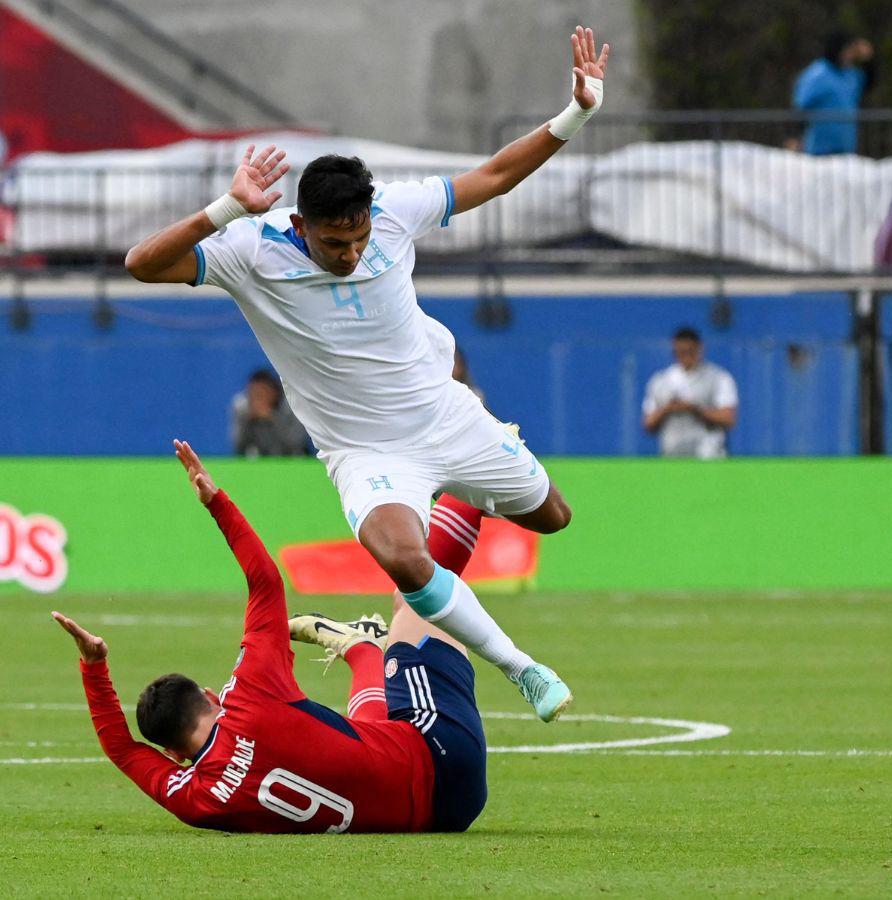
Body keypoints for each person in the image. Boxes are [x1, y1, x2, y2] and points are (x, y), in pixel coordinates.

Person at [123, 26, 611, 722]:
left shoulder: (395, 214)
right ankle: (525, 669)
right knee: (403, 561)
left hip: (446, 413)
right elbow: (141, 264)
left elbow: (496, 174)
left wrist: (577, 114)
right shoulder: (250, 254)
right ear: (299, 223)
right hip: (365, 451)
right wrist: (227, 207)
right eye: (333, 242)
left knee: (553, 517)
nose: (350, 253)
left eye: (357, 239)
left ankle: (464, 481)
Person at [52, 440, 490, 833]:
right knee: (412, 598)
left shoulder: (198, 800)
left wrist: (93, 669)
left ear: (172, 754)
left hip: (444, 817)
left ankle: (361, 651)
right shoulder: (251, 693)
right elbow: (265, 582)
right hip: (443, 756)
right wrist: (216, 503)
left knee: (363, 736)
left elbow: (122, 751)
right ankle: (484, 459)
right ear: (211, 695)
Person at [642, 327, 738, 459]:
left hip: (709, 458)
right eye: (681, 352)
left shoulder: (718, 378)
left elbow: (728, 418)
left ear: (700, 348)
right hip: (672, 458)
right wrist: (668, 408)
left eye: (690, 351)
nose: (686, 357)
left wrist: (695, 409)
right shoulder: (661, 381)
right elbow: (648, 424)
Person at [792, 31, 876, 156]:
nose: (850, 54)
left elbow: (870, 83)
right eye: (847, 49)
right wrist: (793, 137)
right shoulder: (817, 74)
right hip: (819, 150)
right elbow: (799, 107)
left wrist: (868, 60)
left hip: (846, 148)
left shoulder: (850, 74)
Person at [229, 368, 311, 457]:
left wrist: (273, 418)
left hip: (290, 457)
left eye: (262, 392)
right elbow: (238, 445)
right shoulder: (242, 407)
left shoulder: (290, 405)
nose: (258, 398)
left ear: (274, 392)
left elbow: (296, 442)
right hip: (258, 457)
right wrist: (248, 420)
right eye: (254, 393)